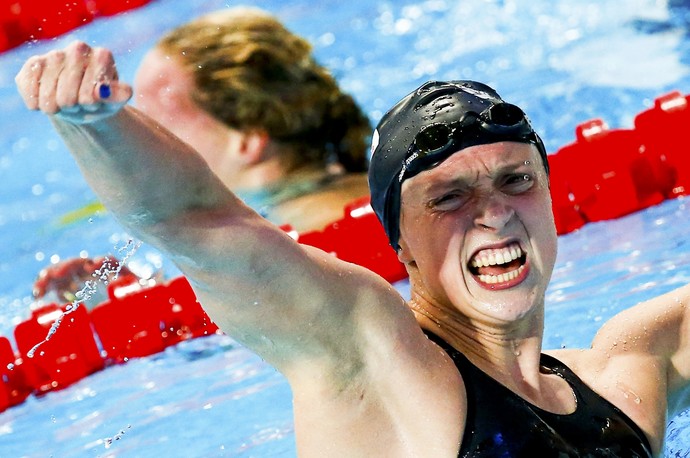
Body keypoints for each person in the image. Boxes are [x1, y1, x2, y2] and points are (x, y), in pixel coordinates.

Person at [16, 38, 690, 456]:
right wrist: (94, 122)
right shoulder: (374, 359)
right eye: (448, 198)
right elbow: (196, 224)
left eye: (516, 181)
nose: (494, 215)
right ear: (399, 241)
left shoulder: (629, 378)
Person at [131, 7, 371, 232]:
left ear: (246, 139)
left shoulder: (318, 231)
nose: (138, 149)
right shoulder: (364, 190)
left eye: (155, 128)